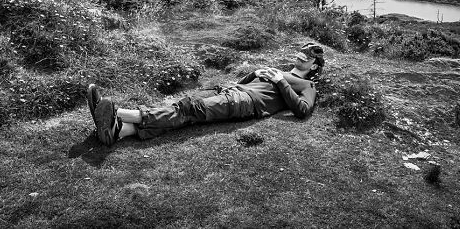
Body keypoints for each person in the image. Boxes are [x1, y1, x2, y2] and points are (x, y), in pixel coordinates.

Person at [86, 42, 325, 144]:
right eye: (302, 51)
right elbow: (242, 82)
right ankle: (118, 132)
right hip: (232, 91)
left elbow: (302, 111)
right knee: (184, 109)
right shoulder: (277, 71)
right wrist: (254, 73)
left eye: (310, 55)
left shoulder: (307, 86)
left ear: (314, 65)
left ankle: (116, 113)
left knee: (189, 109)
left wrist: (281, 81)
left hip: (245, 102)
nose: (303, 55)